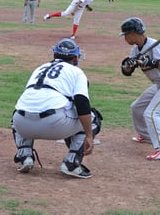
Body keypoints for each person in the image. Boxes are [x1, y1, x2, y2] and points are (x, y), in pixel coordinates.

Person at [11, 38, 103, 179]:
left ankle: (25, 156)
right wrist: (89, 135)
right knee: (93, 117)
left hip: (21, 124)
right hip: (54, 124)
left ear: (54, 55)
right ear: (75, 58)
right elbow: (82, 103)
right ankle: (71, 163)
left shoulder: (39, 68)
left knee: (18, 113)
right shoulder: (76, 72)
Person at [119, 17, 160, 160]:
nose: (124, 38)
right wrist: (128, 65)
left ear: (133, 33)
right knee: (137, 107)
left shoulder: (155, 45)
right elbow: (127, 73)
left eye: (125, 35)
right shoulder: (135, 49)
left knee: (152, 112)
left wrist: (150, 62)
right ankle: (146, 136)